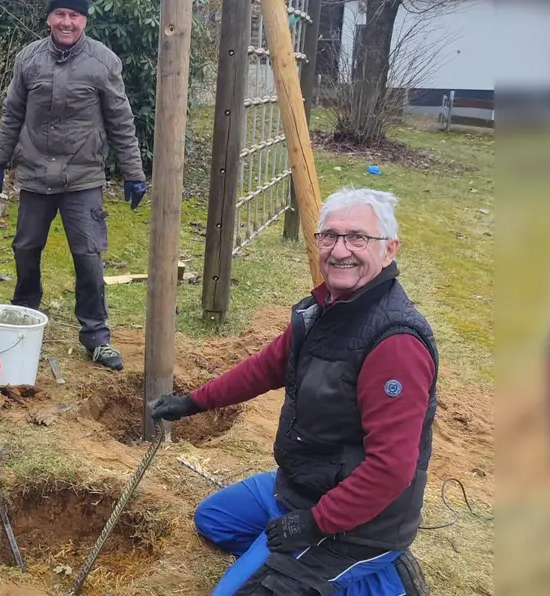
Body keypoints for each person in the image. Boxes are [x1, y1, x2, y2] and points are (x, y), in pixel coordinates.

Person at [150, 187, 436, 596]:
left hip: (358, 523)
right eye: (329, 236)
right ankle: (287, 566)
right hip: (302, 486)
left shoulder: (395, 345)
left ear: (390, 249)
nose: (340, 250)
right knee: (214, 520)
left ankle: (378, 578)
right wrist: (193, 401)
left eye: (358, 237)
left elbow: (391, 470)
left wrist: (313, 523)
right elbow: (265, 367)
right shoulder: (323, 309)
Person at [0, 0, 146, 371]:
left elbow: (121, 121)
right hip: (35, 175)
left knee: (88, 255)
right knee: (25, 248)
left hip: (82, 177)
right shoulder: (29, 59)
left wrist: (134, 173)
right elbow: (11, 114)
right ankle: (24, 316)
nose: (67, 22)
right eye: (60, 14)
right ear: (49, 18)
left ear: (84, 19)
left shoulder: (103, 62)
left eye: (74, 15)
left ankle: (96, 334)